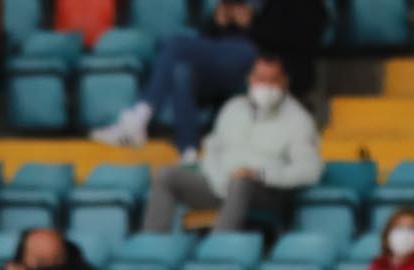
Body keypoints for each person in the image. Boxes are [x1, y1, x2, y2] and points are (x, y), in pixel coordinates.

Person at [92, 0, 328, 157]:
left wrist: (253, 24)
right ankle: (188, 153)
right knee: (181, 70)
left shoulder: (307, 5)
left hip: (266, 62)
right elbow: (209, 38)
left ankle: (139, 116)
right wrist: (219, 21)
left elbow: (302, 38)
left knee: (176, 46)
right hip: (229, 60)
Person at [140, 54, 323, 235]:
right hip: (220, 184)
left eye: (272, 80)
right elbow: (213, 149)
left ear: (284, 82)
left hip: (266, 190)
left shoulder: (299, 119)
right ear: (250, 79)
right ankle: (151, 249)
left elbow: (310, 171)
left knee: (241, 182)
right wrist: (217, 178)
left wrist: (260, 174)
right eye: (260, 79)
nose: (265, 86)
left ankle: (218, 250)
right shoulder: (232, 108)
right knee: (167, 175)